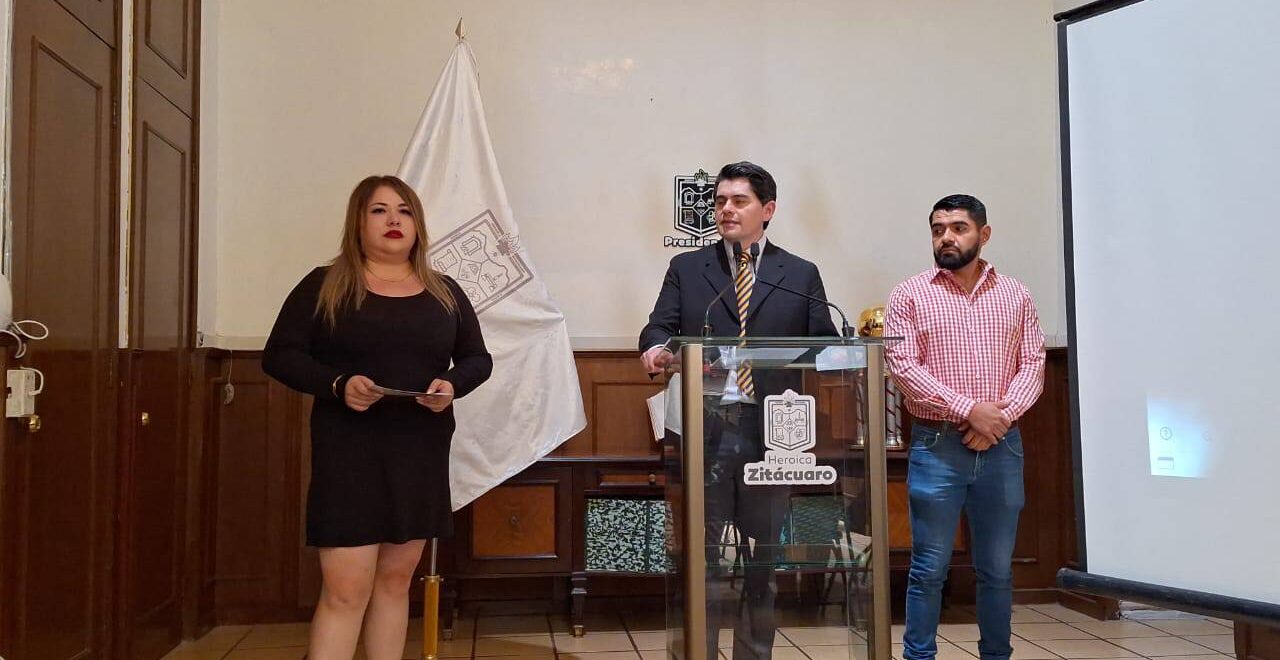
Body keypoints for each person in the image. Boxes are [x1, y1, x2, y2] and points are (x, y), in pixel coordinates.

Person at [263, 175, 492, 660]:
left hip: (419, 450)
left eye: (405, 211)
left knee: (394, 584)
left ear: (418, 224)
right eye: (379, 210)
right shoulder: (324, 284)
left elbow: (478, 359)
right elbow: (279, 355)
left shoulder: (445, 291)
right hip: (348, 452)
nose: (394, 220)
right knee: (346, 591)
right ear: (358, 222)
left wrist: (451, 385)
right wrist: (338, 384)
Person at [639, 161, 837, 660]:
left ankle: (753, 654)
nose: (726, 209)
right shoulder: (688, 268)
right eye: (721, 201)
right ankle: (699, 652)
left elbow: (825, 343)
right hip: (704, 427)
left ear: (767, 210)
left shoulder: (799, 274)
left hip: (772, 432)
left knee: (762, 559)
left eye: (739, 201)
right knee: (702, 556)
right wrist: (656, 347)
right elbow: (658, 326)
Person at [884, 194, 1045, 660]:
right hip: (937, 445)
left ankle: (996, 654)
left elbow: (1033, 363)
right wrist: (970, 410)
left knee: (996, 570)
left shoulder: (1015, 294)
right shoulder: (909, 294)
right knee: (928, 569)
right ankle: (919, 656)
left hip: (1002, 446)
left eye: (958, 228)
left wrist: (999, 419)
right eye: (938, 230)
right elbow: (904, 367)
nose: (946, 238)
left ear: (984, 234)